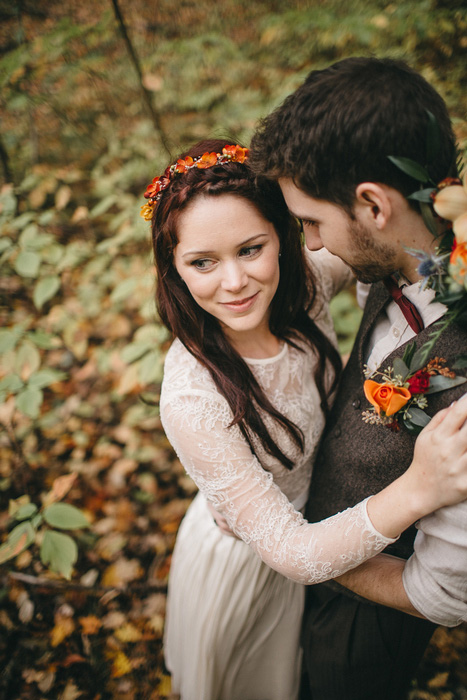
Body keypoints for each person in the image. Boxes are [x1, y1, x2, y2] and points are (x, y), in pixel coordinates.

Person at [141, 137, 467, 700]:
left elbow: (388, 249)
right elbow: (291, 552)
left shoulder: (305, 284)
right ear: (174, 268)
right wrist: (418, 490)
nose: (235, 282)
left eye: (250, 249)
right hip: (254, 558)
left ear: (285, 239)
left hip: (324, 538)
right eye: (202, 262)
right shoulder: (192, 397)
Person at [249, 56, 467, 699]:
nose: (311, 245)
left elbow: (445, 592)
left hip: (366, 620)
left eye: (312, 221)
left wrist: (312, 558)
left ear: (372, 204)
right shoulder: (419, 257)